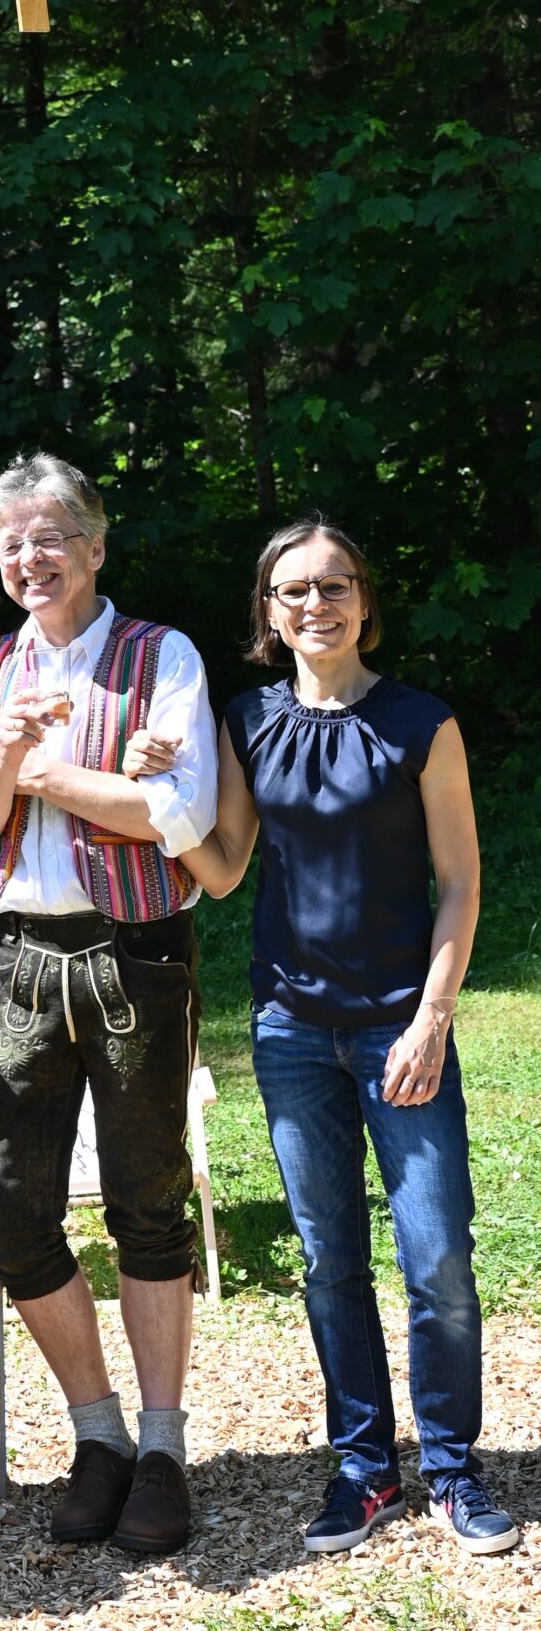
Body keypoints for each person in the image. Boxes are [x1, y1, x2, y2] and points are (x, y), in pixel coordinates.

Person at [178, 516, 518, 1557]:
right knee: (329, 1261)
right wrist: (161, 794)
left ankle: (453, 1470)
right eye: (292, 591)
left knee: (438, 1257)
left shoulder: (420, 722)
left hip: (395, 1029)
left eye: (332, 586)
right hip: (286, 1031)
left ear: (364, 602)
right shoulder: (244, 721)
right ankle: (364, 1470)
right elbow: (224, 866)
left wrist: (430, 1016)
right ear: (266, 614)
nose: (313, 605)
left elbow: (458, 883)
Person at [0, 453, 215, 1557]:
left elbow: (177, 814)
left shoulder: (162, 657)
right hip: (16, 956)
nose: (26, 555)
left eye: (48, 534)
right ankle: (93, 1434)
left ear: (95, 545)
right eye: (8, 539)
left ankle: (160, 1447)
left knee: (147, 1199)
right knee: (6, 1206)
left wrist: (37, 773)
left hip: (134, 950)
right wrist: (7, 753)